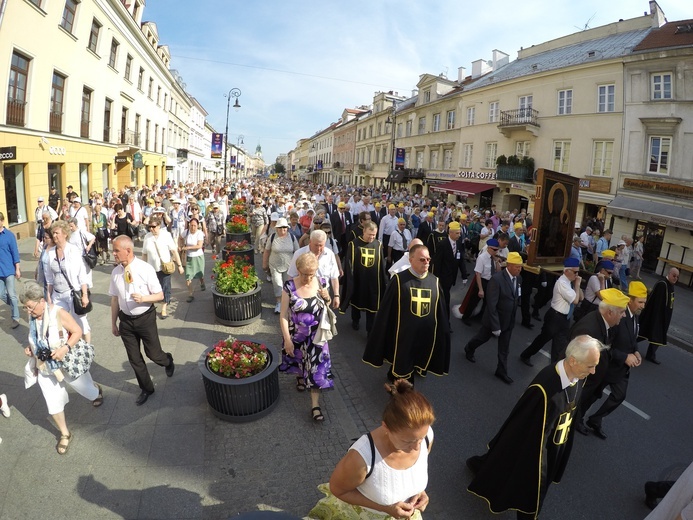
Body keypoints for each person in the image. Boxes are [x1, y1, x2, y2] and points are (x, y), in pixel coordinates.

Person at [467, 335, 606, 520]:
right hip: (536, 449)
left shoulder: (578, 376)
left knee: (501, 466)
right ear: (573, 361)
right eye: (590, 366)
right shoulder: (545, 388)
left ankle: (481, 465)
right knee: (532, 489)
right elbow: (524, 426)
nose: (594, 371)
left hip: (555, 445)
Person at [310, 379, 434, 519]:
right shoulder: (362, 458)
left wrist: (419, 491)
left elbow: (412, 473)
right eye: (408, 441)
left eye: (421, 438)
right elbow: (338, 490)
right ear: (386, 427)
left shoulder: (427, 435)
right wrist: (385, 508)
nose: (417, 447)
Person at [20, 281, 103, 455]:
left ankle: (96, 391)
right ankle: (65, 433)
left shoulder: (58, 312)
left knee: (87, 389)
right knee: (52, 401)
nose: (28, 311)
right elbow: (36, 337)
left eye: (30, 307)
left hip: (67, 363)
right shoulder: (34, 316)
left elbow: (77, 331)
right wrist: (31, 348)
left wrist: (64, 348)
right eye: (25, 308)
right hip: (45, 368)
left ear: (41, 301)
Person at [364, 244, 450, 385]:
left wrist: (443, 333)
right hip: (403, 336)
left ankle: (394, 374)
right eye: (422, 259)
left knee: (416, 362)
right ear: (410, 260)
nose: (427, 263)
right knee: (404, 369)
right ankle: (402, 397)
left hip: (424, 336)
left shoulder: (434, 282)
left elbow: (440, 312)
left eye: (428, 259)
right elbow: (386, 312)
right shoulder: (398, 281)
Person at [109, 235, 174, 406]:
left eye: (116, 250)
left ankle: (167, 360)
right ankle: (146, 388)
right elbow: (115, 299)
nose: (113, 253)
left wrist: (144, 298)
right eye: (113, 250)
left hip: (145, 318)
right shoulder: (116, 272)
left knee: (153, 354)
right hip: (126, 321)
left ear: (128, 251)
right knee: (134, 358)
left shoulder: (145, 269)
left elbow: (160, 295)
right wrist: (113, 323)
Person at [576, 282, 646, 439]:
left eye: (644, 302)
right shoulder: (618, 315)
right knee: (593, 394)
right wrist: (625, 357)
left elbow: (633, 338)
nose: (643, 305)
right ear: (630, 300)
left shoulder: (635, 316)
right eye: (640, 302)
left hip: (621, 369)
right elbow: (605, 345)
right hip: (608, 366)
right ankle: (577, 418)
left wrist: (636, 351)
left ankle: (596, 419)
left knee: (619, 396)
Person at [279, 252, 334, 422]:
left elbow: (327, 305)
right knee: (300, 361)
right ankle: (300, 376)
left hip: (317, 336)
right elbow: (283, 315)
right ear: (298, 270)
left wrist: (328, 298)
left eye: (311, 274)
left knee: (316, 369)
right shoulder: (289, 287)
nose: (308, 278)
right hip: (297, 334)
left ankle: (315, 406)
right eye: (304, 274)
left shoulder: (321, 282)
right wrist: (287, 340)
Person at [569, 288, 629, 437]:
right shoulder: (588, 330)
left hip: (589, 385)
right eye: (622, 312)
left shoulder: (604, 324)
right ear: (610, 313)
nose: (624, 315)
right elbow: (573, 363)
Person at [464, 252, 523, 385]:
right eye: (517, 267)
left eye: (520, 267)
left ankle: (501, 371)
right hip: (494, 321)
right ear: (508, 265)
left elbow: (516, 298)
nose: (519, 269)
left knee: (504, 348)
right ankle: (469, 348)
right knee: (482, 338)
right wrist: (496, 326)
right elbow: (491, 304)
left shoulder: (518, 279)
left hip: (509, 321)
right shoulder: (497, 280)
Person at [520, 258, 582, 365]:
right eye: (575, 272)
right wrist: (577, 285)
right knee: (542, 339)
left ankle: (555, 370)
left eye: (578, 272)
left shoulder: (570, 283)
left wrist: (577, 285)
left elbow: (581, 297)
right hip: (555, 317)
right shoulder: (562, 283)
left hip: (564, 318)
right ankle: (526, 354)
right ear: (567, 271)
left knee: (560, 347)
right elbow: (576, 300)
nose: (576, 275)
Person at [44, 220, 92, 343]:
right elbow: (49, 278)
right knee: (59, 324)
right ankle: (67, 348)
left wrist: (84, 295)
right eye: (53, 233)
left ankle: (87, 349)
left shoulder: (73, 250)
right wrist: (49, 297)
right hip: (57, 294)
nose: (54, 235)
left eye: (57, 233)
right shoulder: (50, 253)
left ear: (65, 234)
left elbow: (82, 275)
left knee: (81, 323)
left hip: (72, 293)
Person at [340, 221, 387, 334]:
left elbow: (381, 265)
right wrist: (350, 281)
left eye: (374, 235)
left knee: (372, 305)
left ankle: (370, 330)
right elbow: (349, 264)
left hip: (373, 282)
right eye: (369, 234)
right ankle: (355, 320)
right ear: (363, 231)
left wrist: (383, 281)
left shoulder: (378, 245)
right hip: (359, 280)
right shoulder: (353, 244)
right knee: (357, 301)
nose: (371, 237)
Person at [142, 217, 183, 319]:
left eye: (154, 227)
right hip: (151, 268)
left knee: (165, 286)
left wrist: (180, 265)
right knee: (151, 288)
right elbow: (144, 254)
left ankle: (164, 308)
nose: (151, 229)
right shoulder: (147, 237)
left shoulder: (166, 235)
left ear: (159, 226)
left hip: (165, 267)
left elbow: (174, 251)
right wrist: (142, 267)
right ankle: (151, 306)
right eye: (150, 227)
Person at [287, 230, 341, 309]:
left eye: (321, 245)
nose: (319, 249)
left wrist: (336, 295)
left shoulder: (330, 254)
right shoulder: (299, 254)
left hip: (323, 293)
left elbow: (334, 276)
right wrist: (290, 295)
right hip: (303, 292)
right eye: (316, 245)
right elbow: (291, 275)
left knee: (322, 318)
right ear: (310, 241)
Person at [639, 267, 678, 365]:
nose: (675, 278)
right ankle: (628, 343)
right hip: (657, 316)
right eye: (674, 275)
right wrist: (657, 318)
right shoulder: (662, 284)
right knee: (646, 332)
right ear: (669, 274)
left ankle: (651, 355)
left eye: (677, 277)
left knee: (656, 336)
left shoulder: (670, 285)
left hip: (664, 317)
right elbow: (656, 303)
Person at [432, 221, 468, 318]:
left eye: (460, 233)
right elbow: (437, 263)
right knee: (446, 300)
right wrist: (436, 279)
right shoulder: (442, 245)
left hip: (452, 277)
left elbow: (461, 261)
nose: (459, 235)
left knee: (444, 299)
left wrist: (464, 275)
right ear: (450, 233)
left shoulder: (459, 244)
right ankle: (445, 322)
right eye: (457, 233)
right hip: (443, 278)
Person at [262, 217, 299, 314]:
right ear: (277, 228)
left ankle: (287, 303)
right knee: (277, 284)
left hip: (289, 266)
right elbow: (267, 251)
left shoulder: (292, 237)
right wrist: (264, 263)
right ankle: (279, 302)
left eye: (285, 228)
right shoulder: (272, 237)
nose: (283, 230)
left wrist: (299, 266)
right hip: (275, 265)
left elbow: (297, 252)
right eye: (280, 228)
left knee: (288, 286)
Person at [461, 238, 500, 326]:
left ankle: (480, 317)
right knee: (473, 301)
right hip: (482, 282)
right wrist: (481, 289)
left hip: (491, 282)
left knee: (488, 303)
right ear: (489, 248)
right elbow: (478, 274)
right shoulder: (482, 258)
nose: (496, 252)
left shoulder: (494, 258)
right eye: (494, 250)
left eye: (497, 250)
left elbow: (498, 271)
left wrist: (497, 261)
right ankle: (465, 317)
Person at [0, 212, 21, 329]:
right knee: (1, 294)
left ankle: (15, 318)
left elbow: (15, 253)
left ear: (2, 221)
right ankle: (15, 306)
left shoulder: (9, 235)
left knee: (12, 294)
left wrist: (17, 269)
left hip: (8, 270)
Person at [180, 218, 206, 303]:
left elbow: (199, 246)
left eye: (195, 225)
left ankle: (202, 282)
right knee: (188, 276)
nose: (193, 227)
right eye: (191, 225)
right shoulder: (186, 232)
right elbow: (180, 237)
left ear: (198, 226)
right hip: (189, 257)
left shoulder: (200, 233)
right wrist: (180, 245)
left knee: (200, 273)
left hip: (198, 257)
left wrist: (188, 247)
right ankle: (190, 294)